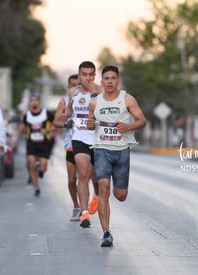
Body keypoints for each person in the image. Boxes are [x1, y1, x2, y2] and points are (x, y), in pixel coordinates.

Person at [87, 65, 147, 247]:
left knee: (120, 195)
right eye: (107, 78)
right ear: (102, 81)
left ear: (118, 80)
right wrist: (90, 125)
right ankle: (106, 232)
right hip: (101, 150)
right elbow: (91, 123)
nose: (110, 81)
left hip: (122, 151)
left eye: (113, 78)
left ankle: (116, 189)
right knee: (103, 187)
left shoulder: (127, 99)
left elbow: (142, 121)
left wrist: (128, 127)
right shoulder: (95, 102)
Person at [64, 61, 103, 228]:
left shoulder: (101, 91)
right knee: (83, 174)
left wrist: (94, 93)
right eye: (84, 74)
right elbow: (68, 112)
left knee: (96, 177)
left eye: (91, 74)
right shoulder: (73, 93)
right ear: (79, 76)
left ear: (95, 75)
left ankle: (96, 195)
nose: (88, 78)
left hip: (98, 139)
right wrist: (68, 119)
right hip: (79, 138)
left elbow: (104, 110)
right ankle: (84, 212)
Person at [53, 74, 81, 221]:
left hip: (86, 143)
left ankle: (87, 205)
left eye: (79, 85)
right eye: (73, 85)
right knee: (71, 180)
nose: (76, 88)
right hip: (70, 144)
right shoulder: (64, 102)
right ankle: (76, 206)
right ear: (68, 87)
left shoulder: (88, 99)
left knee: (86, 177)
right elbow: (55, 122)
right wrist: (66, 124)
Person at [20, 93, 54, 197]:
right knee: (31, 163)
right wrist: (22, 130)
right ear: (30, 103)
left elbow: (56, 125)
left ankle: (41, 169)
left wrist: (47, 130)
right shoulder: (27, 116)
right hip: (31, 143)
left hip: (44, 143)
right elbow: (24, 129)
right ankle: (36, 187)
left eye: (36, 100)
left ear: (39, 102)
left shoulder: (47, 114)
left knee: (43, 167)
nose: (34, 102)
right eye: (32, 100)